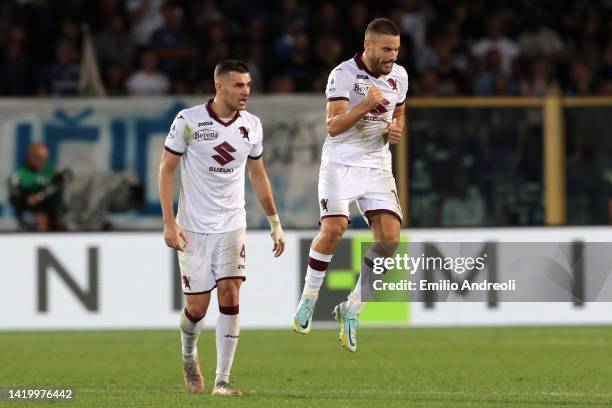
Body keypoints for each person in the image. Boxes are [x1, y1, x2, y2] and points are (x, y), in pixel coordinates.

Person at [159, 60, 286, 396]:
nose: (245, 91)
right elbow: (166, 170)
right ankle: (189, 355)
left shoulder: (252, 126)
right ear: (219, 87)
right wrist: (169, 223)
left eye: (248, 85)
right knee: (197, 308)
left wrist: (275, 223)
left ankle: (223, 380)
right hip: (194, 229)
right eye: (238, 85)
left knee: (230, 293)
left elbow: (258, 175)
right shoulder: (188, 121)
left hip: (232, 225)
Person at [291, 18, 408, 352]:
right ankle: (309, 300)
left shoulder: (400, 76)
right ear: (368, 45)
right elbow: (333, 126)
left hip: (376, 165)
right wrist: (365, 106)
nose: (392, 57)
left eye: (397, 50)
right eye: (387, 49)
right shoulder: (343, 74)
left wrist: (396, 129)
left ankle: (352, 308)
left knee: (389, 240)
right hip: (341, 163)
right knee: (335, 228)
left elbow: (399, 112)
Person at [8, 142, 60, 231]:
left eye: (44, 159)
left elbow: (57, 189)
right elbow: (14, 197)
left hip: (51, 211)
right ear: (31, 157)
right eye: (39, 159)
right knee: (40, 219)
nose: (42, 163)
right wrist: (27, 199)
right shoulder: (19, 175)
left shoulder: (52, 172)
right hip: (29, 212)